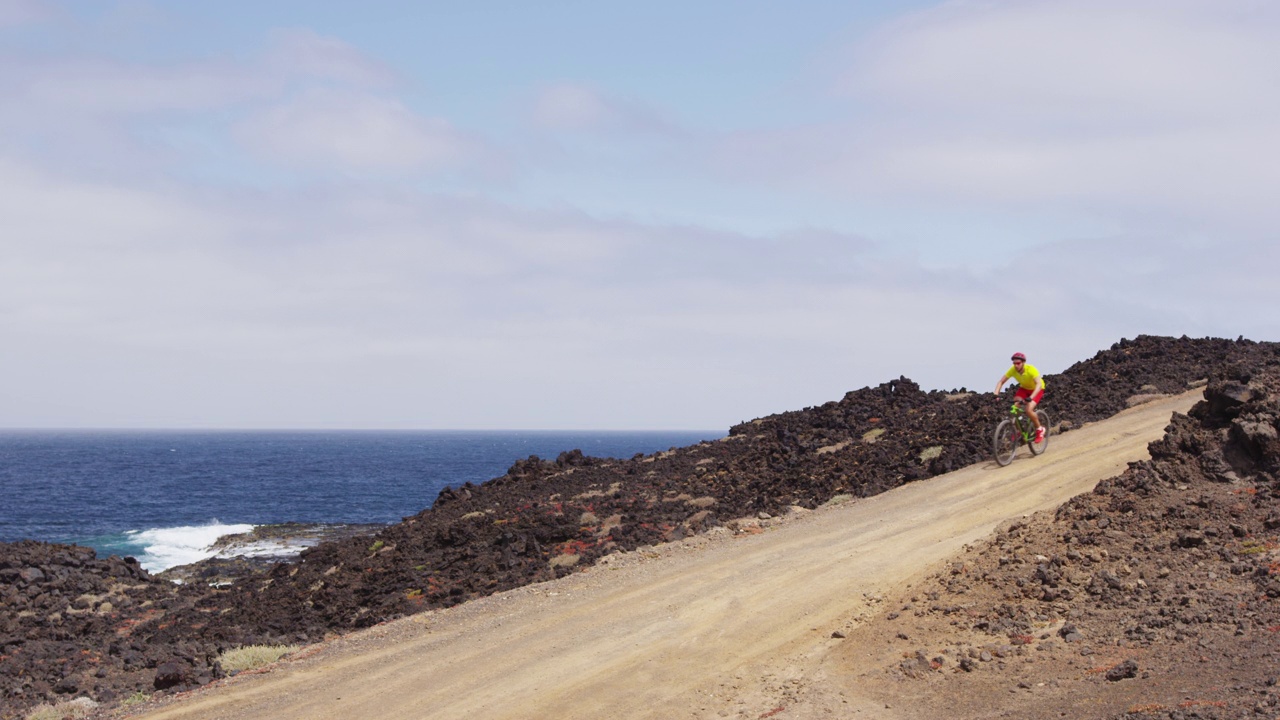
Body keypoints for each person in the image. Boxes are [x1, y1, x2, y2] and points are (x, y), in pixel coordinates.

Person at [994, 352, 1046, 443]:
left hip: (1037, 389)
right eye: (1014, 363)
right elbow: (1001, 382)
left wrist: (1031, 397)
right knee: (1015, 407)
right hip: (1024, 389)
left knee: (1028, 410)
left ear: (1023, 363)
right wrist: (995, 394)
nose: (1016, 365)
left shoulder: (1031, 370)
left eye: (1018, 363)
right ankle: (1018, 431)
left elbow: (1038, 384)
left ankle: (1040, 429)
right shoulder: (1012, 370)